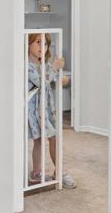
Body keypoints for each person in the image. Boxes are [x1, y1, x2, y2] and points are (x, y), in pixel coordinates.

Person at [27, 32, 76, 188]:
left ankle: (40, 172)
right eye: (38, 42)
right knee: (42, 140)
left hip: (46, 110)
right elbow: (41, 82)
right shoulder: (25, 66)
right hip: (34, 111)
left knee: (50, 138)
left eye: (45, 44)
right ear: (28, 44)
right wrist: (54, 69)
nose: (42, 47)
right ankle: (56, 172)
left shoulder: (44, 64)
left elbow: (51, 78)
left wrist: (61, 77)